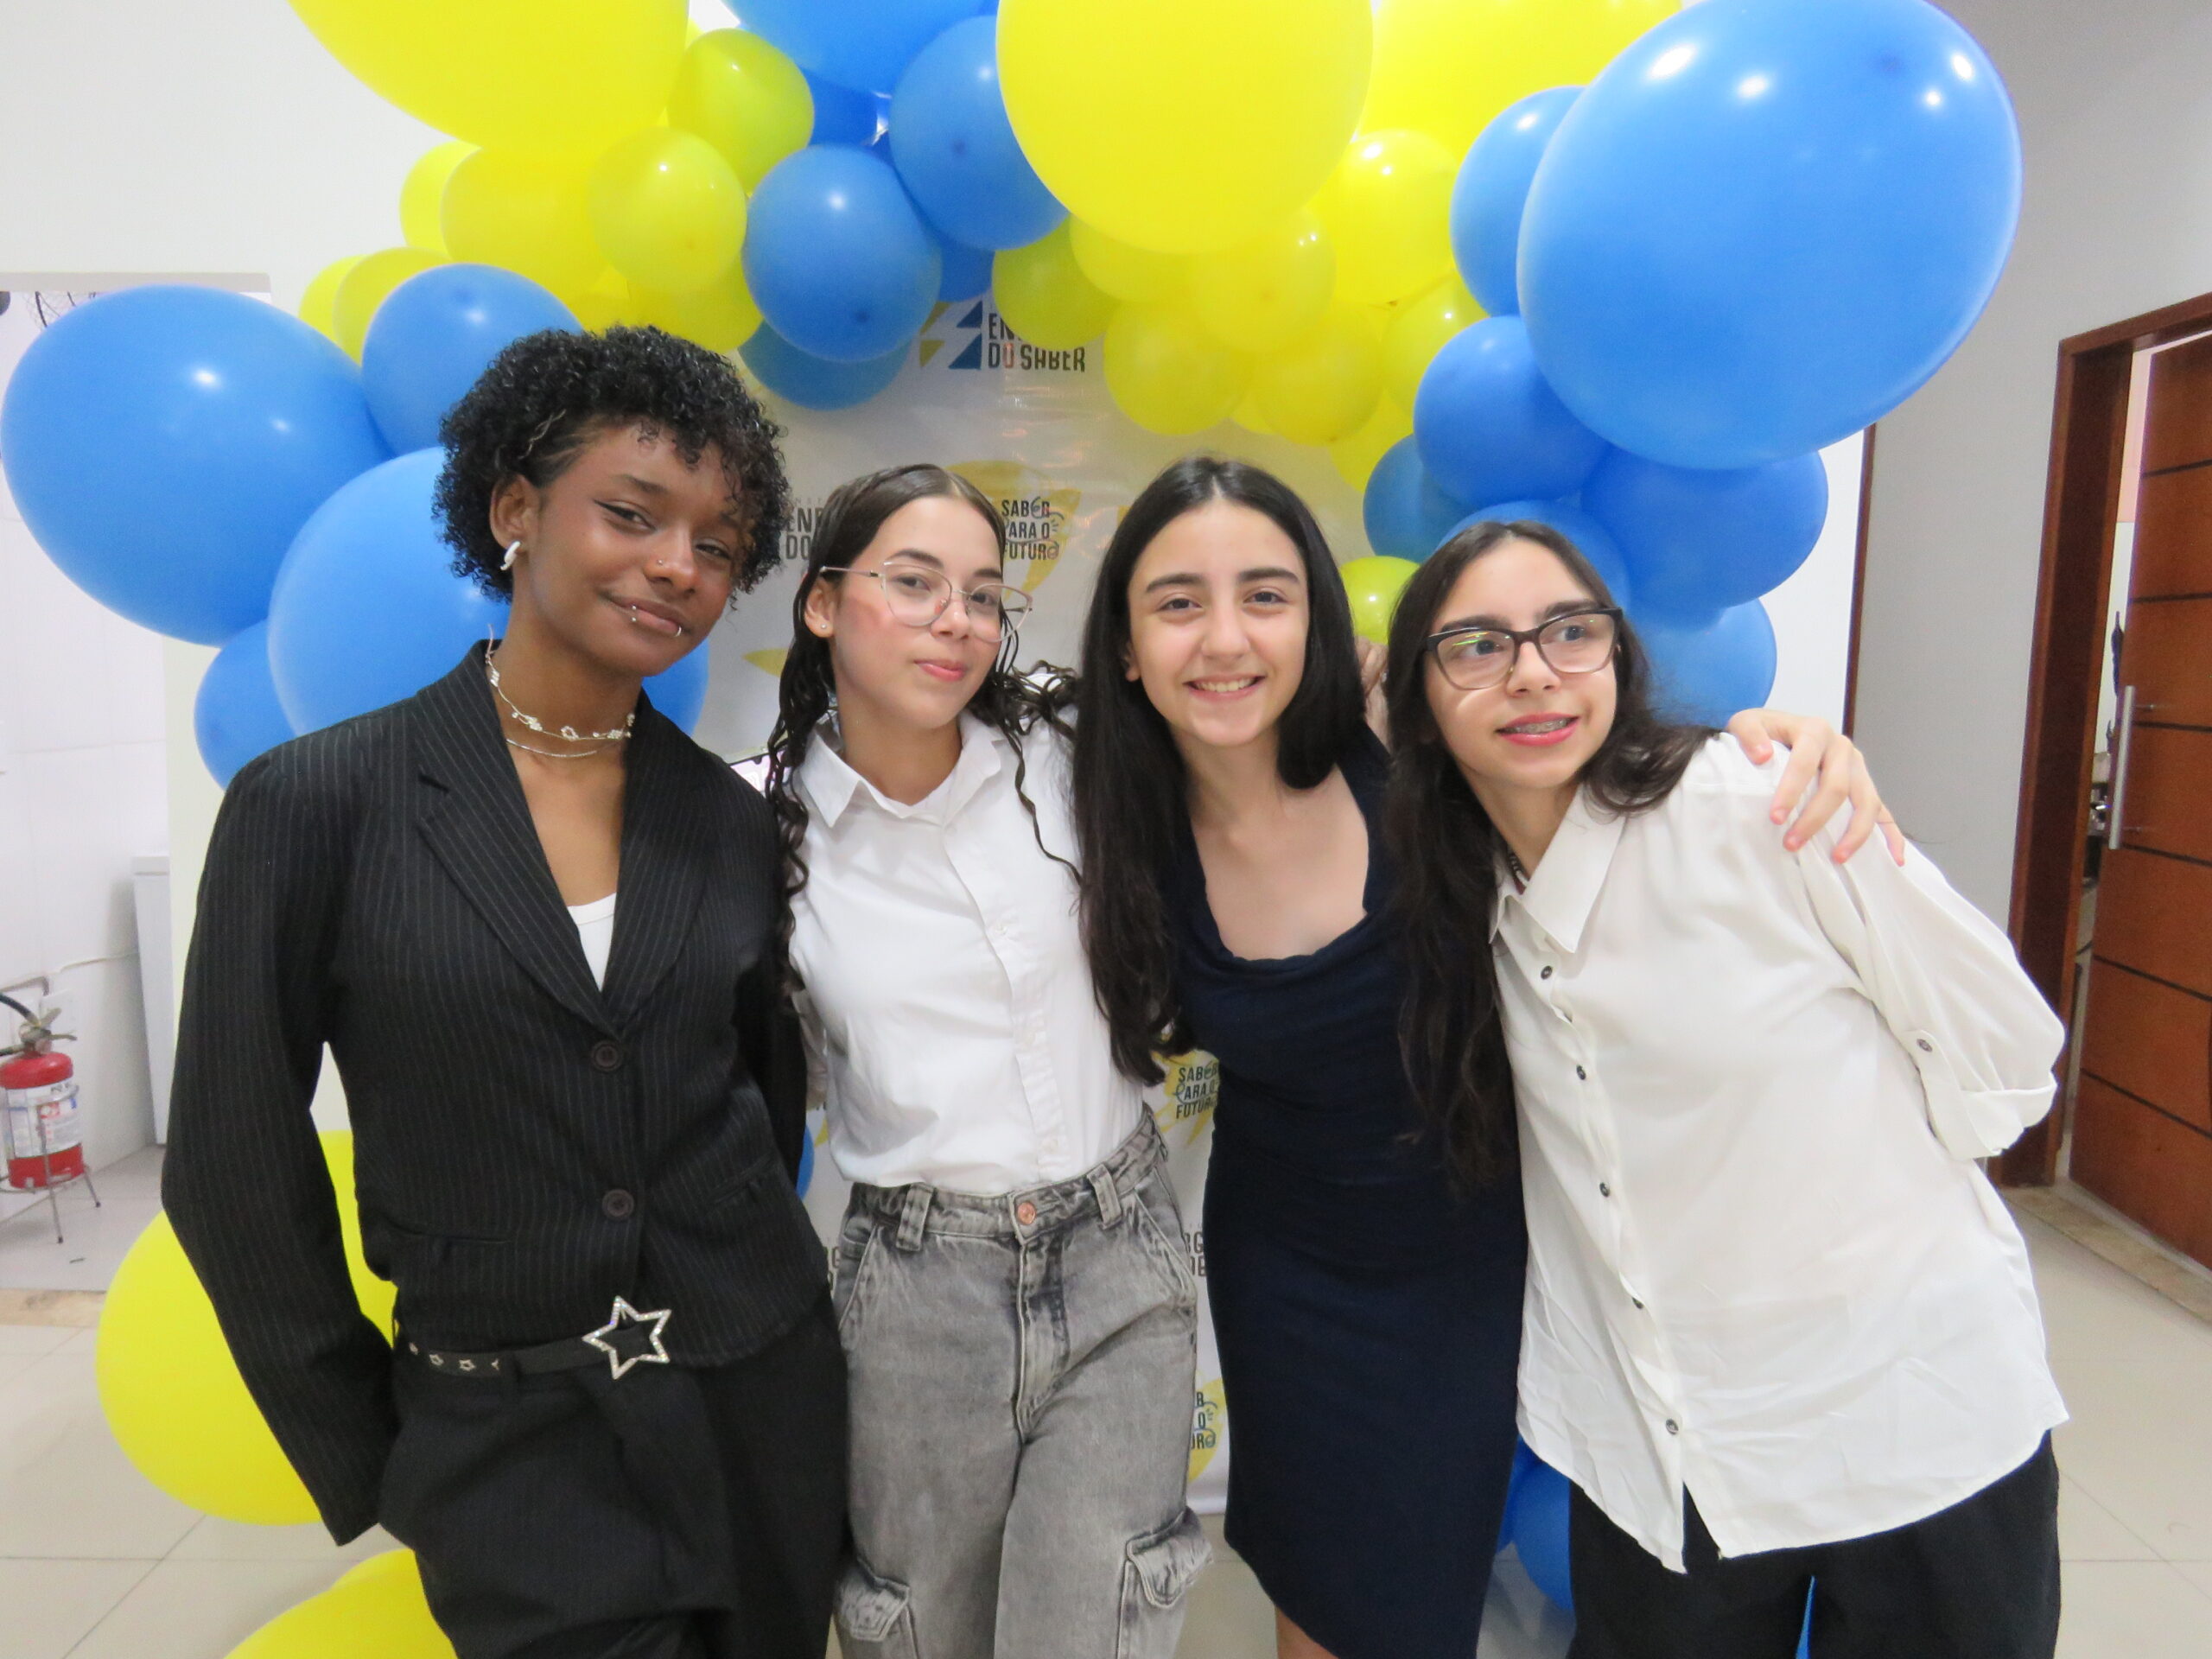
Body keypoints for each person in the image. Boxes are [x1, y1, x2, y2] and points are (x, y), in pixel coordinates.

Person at [1066, 455, 1894, 1659]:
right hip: (1284, 1269)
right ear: (1128, 646)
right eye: (1179, 602)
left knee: (1418, 1600)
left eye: (1266, 595)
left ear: (1315, 621)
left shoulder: (1408, 747)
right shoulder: (1113, 821)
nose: (1226, 638)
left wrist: (1778, 745)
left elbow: (1610, 770)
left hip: (1472, 1262)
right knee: (1316, 1583)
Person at [163, 327, 844, 1659]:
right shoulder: (320, 803)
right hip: (505, 1440)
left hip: (761, 1406)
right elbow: (232, 1158)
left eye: (716, 545)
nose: (677, 565)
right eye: (632, 514)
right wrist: (377, 1446)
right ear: (515, 509)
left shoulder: (726, 822)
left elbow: (761, 1105)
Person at [1380, 518, 2066, 1659]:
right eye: (1478, 646)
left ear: (1618, 654)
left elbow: (2004, 1055)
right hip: (1663, 1456)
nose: (1533, 673)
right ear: (1421, 695)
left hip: (1908, 1418)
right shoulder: (1450, 901)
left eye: (1568, 631)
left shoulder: (1762, 807)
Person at [762, 463, 1209, 1659]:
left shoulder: (1068, 747)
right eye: (914, 584)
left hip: (1119, 1256)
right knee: (923, 1631)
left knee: (1094, 1626)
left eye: (980, 594)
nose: (955, 621)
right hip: (918, 1291)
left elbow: (1256, 735)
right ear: (822, 603)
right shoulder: (761, 832)